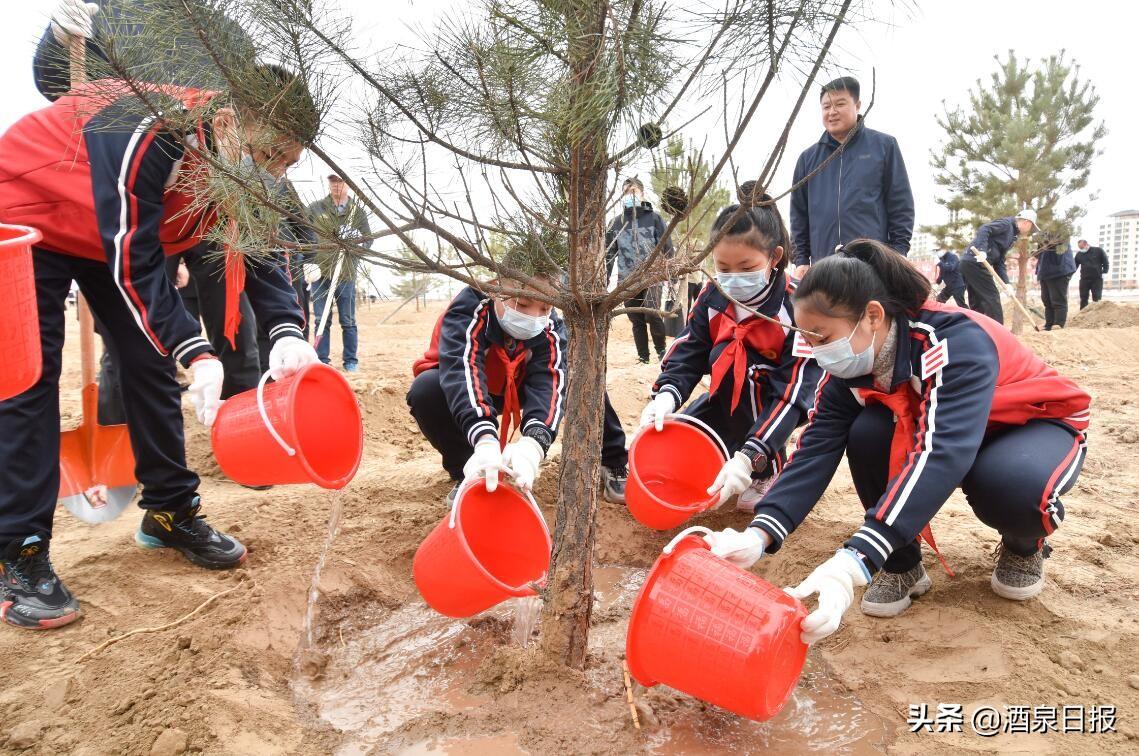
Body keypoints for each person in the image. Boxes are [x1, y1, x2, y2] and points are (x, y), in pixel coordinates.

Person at [0, 62, 322, 629]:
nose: (272, 174)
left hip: (110, 239)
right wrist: (196, 351)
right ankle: (17, 551)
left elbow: (263, 247)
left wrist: (288, 331)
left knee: (148, 364)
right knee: (30, 377)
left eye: (287, 165)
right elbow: (137, 263)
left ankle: (171, 511)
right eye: (271, 154)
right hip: (30, 206)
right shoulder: (147, 130)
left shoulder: (239, 171)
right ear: (228, 119)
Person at [701, 240, 1089, 644]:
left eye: (822, 336)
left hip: (1024, 425)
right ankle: (901, 562)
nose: (817, 352)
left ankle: (1024, 544)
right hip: (945, 434)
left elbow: (939, 452)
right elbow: (816, 448)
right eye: (808, 339)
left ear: (872, 315)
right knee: (867, 432)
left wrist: (855, 561)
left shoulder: (950, 343)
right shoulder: (850, 368)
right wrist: (758, 535)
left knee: (1014, 487)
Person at [35, 0, 266, 401]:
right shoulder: (106, 13)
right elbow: (57, 87)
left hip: (212, 195)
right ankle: (124, 430)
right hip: (135, 197)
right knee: (133, 332)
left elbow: (251, 111)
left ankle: (244, 421)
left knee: (234, 322)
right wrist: (57, 40)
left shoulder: (226, 31)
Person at [639, 200, 822, 511]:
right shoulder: (713, 295)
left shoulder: (798, 306)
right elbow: (690, 348)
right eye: (723, 268)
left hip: (773, 404)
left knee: (750, 371)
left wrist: (752, 455)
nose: (733, 277)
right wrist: (667, 395)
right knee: (680, 446)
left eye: (747, 268)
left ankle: (768, 465)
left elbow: (795, 390)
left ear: (774, 257)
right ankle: (728, 444)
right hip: (724, 398)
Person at [789, 76, 914, 279]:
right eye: (826, 106)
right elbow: (798, 214)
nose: (832, 112)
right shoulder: (808, 159)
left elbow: (900, 203)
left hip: (873, 264)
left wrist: (899, 251)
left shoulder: (884, 146)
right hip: (824, 265)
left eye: (840, 104)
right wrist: (801, 259)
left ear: (857, 105)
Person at [307, 175, 372, 373]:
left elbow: (368, 240)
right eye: (332, 182)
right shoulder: (316, 208)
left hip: (346, 273)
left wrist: (355, 242)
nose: (336, 186)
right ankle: (322, 361)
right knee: (321, 318)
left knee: (348, 320)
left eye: (340, 182)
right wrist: (307, 262)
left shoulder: (357, 212)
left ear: (348, 185)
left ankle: (350, 361)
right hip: (320, 271)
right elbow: (303, 234)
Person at [606, 177, 674, 363]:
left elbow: (667, 246)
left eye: (633, 191)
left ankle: (661, 352)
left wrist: (672, 273)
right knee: (636, 319)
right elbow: (609, 254)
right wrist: (604, 281)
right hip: (626, 278)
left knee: (652, 313)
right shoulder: (615, 223)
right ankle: (643, 356)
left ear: (642, 193)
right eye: (626, 192)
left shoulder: (654, 218)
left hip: (652, 276)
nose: (630, 195)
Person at [959, 209, 1038, 325]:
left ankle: (977, 329)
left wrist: (1007, 284)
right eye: (1031, 227)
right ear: (1027, 222)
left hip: (971, 264)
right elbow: (985, 229)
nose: (1030, 231)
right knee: (992, 298)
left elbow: (999, 261)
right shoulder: (1007, 224)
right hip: (974, 261)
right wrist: (982, 250)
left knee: (978, 301)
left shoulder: (1012, 236)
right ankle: (998, 332)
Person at [1035, 238, 1076, 331]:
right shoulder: (1043, 234)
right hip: (1045, 271)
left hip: (1059, 269)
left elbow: (1058, 242)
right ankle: (1049, 324)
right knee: (1046, 300)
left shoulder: (1058, 230)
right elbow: (1040, 251)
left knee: (1057, 299)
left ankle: (1058, 323)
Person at [1074, 239, 1109, 309]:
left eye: (1082, 247)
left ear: (1086, 244)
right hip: (1084, 279)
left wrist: (1105, 271)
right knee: (1083, 298)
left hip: (1096, 279)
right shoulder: (1079, 254)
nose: (1081, 249)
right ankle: (1082, 315)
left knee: (1097, 298)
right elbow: (1074, 266)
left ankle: (1097, 316)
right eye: (1080, 248)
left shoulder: (1098, 251)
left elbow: (1105, 261)